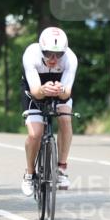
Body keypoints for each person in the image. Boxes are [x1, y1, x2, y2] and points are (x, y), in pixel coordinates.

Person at [21, 27, 77, 195]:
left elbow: (67, 93)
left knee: (66, 120)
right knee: (35, 134)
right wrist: (43, 90)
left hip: (59, 87)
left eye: (59, 54)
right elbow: (36, 92)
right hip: (35, 88)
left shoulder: (71, 59)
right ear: (41, 49)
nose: (53, 59)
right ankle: (30, 174)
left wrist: (60, 90)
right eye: (48, 54)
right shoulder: (31, 55)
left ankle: (61, 168)